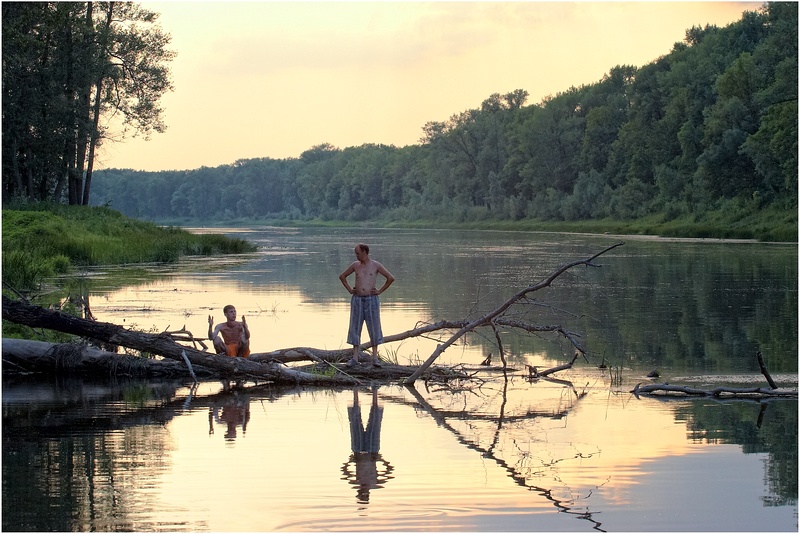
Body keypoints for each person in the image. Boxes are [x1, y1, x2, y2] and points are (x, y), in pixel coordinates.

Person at [339, 243, 395, 367]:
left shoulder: (375, 265)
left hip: (371, 299)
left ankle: (375, 358)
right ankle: (355, 357)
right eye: (356, 253)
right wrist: (349, 289)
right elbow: (342, 276)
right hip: (357, 299)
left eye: (358, 253)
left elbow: (390, 278)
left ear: (364, 252)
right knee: (355, 326)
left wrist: (379, 291)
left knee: (374, 326)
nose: (356, 255)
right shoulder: (355, 265)